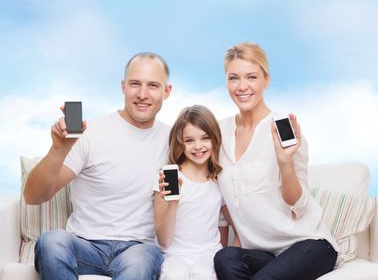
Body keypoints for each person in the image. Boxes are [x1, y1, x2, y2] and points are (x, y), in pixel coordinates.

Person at [23, 52, 172, 280]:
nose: (143, 94)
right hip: (84, 245)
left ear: (166, 91)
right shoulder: (91, 133)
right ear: (123, 86)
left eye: (152, 85)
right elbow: (33, 196)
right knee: (51, 241)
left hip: (137, 248)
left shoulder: (175, 141)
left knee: (140, 261)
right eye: (135, 84)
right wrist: (59, 149)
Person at [214, 42, 339, 280]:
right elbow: (221, 197)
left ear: (266, 80)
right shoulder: (219, 132)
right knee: (225, 258)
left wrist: (284, 162)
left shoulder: (282, 128)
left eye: (251, 77)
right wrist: (239, 234)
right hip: (263, 253)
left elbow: (297, 206)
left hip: (308, 245)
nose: (242, 87)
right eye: (233, 78)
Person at [154, 105, 237, 280]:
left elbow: (237, 226)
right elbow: (164, 240)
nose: (198, 146)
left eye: (205, 138)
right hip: (173, 255)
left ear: (215, 139)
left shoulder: (219, 179)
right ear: (180, 143)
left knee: (204, 275)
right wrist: (173, 203)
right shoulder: (168, 177)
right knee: (174, 274)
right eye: (189, 140)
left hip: (208, 255)